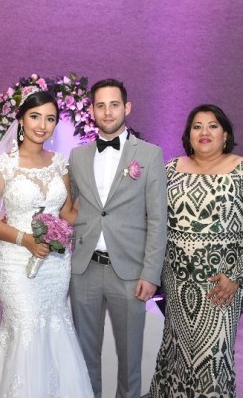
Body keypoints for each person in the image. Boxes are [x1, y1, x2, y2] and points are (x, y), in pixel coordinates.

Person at [149, 104, 243, 397]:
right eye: (197, 126)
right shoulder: (170, 169)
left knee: (213, 357)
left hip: (221, 284)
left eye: (212, 126)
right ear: (188, 135)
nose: (204, 132)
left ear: (225, 134)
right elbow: (154, 221)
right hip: (177, 281)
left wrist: (237, 275)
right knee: (175, 351)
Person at [0, 90, 94, 397]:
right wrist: (25, 239)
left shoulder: (60, 164)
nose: (42, 125)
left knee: (55, 325)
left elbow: (66, 212)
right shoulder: (2, 165)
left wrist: (97, 192)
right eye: (35, 116)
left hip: (55, 265)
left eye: (50, 118)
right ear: (21, 120)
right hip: (15, 264)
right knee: (25, 328)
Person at [68, 78, 168, 398]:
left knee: (129, 358)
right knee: (85, 356)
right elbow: (68, 209)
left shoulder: (150, 155)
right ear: (92, 111)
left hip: (129, 272)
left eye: (114, 104)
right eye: (100, 105)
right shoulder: (77, 156)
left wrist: (151, 273)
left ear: (127, 108)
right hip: (84, 270)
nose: (107, 112)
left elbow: (158, 219)